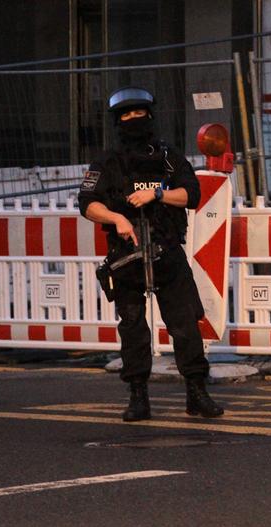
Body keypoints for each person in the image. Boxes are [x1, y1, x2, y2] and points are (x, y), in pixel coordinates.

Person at [78, 86, 224, 422]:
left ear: (150, 116)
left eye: (139, 113)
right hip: (127, 255)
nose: (133, 119)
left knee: (185, 325)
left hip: (167, 251)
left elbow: (192, 195)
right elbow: (87, 203)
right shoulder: (108, 161)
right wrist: (116, 218)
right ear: (118, 121)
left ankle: (196, 393)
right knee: (132, 328)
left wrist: (157, 194)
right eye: (127, 115)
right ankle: (138, 396)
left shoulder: (168, 155)